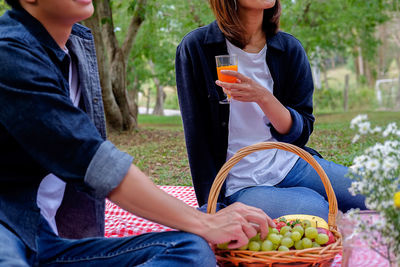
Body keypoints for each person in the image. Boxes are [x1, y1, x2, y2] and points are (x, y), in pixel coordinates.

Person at [0, 0, 276, 266]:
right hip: (8, 232)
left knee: (190, 250)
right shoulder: (10, 53)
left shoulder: (75, 47)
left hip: (43, 239)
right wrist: (206, 222)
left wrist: (204, 223)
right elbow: (92, 160)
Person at [175, 0, 367, 223]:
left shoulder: (289, 49)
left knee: (379, 190)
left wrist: (263, 97)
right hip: (242, 182)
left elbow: (301, 130)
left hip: (291, 164)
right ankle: (312, 198)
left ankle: (314, 195)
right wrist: (213, 208)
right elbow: (196, 137)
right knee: (316, 211)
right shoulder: (196, 48)